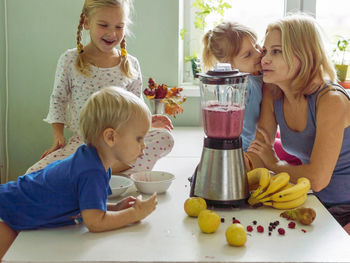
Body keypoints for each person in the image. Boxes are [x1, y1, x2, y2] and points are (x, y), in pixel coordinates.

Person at [0, 86, 158, 259]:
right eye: (139, 138)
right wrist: (134, 214)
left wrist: (115, 208)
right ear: (110, 137)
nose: (144, 146)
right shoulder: (91, 170)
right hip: (5, 214)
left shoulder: (93, 161)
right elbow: (95, 222)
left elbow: (87, 206)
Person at [26, 0, 174, 175]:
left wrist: (149, 122)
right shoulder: (69, 60)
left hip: (121, 143)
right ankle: (103, 172)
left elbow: (136, 107)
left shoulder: (131, 64)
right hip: (84, 144)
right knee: (32, 174)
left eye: (119, 27)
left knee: (165, 138)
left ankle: (94, 173)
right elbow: (58, 98)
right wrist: (58, 136)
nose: (112, 33)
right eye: (104, 25)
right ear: (87, 22)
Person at [245, 14, 350, 233]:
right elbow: (259, 150)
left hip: (345, 209)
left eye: (276, 51)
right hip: (312, 201)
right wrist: (224, 174)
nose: (264, 60)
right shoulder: (273, 91)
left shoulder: (331, 99)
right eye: (265, 51)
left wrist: (274, 166)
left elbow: (318, 179)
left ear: (304, 55)